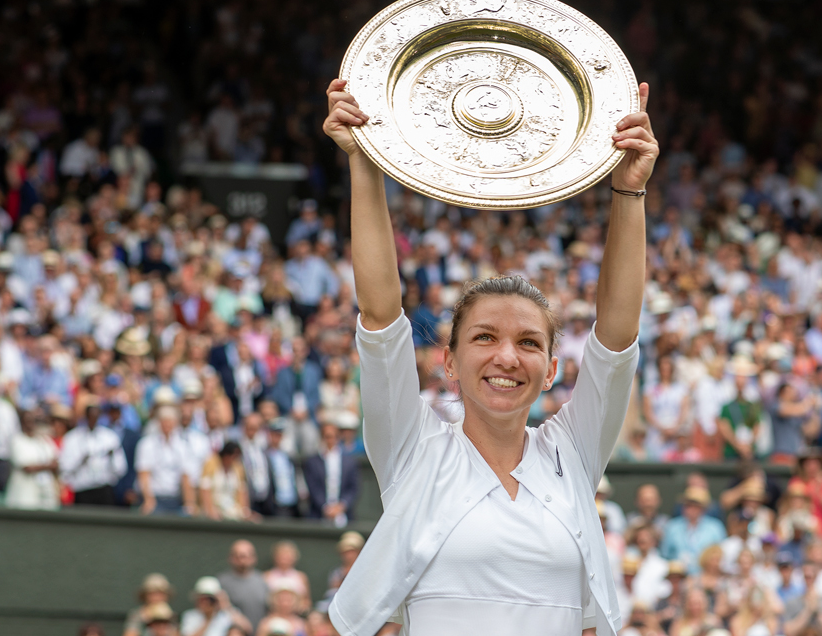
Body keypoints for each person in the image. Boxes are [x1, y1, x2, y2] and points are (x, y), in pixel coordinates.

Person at [320, 76, 657, 636]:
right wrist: (366, 161)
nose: (507, 356)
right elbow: (381, 316)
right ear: (447, 364)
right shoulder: (414, 451)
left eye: (529, 343)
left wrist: (629, 190)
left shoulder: (571, 456)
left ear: (552, 369)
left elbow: (616, 338)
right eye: (483, 337)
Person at [60, 398, 128, 506]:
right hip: (82, 490)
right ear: (85, 417)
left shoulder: (109, 437)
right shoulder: (72, 438)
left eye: (95, 417)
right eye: (90, 417)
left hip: (104, 490)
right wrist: (80, 461)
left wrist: (111, 457)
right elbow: (64, 468)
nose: (93, 420)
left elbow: (120, 469)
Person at [134, 406, 196, 515]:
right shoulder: (146, 444)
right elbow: (144, 475)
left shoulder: (183, 446)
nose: (167, 424)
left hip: (175, 499)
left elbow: (185, 476)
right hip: (155, 498)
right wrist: (149, 501)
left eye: (170, 421)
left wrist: (189, 503)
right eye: (164, 421)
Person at [302, 420, 360, 526]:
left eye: (333, 436)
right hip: (318, 515)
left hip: (344, 515)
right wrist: (325, 507)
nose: (330, 440)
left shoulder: (349, 461)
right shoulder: (313, 461)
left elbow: (353, 488)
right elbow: (313, 488)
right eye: (327, 436)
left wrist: (341, 506)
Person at [660, 486, 727, 575]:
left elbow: (721, 556)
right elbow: (665, 555)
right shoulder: (672, 527)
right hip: (678, 577)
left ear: (703, 508)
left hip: (706, 577)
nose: (691, 509)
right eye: (688, 505)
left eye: (696, 506)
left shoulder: (715, 527)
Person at [5, 410, 61, 510]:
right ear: (22, 423)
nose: (31, 424)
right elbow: (27, 467)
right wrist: (48, 466)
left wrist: (46, 466)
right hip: (24, 497)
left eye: (33, 421)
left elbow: (56, 462)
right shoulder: (17, 440)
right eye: (28, 421)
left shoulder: (44, 440)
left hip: (46, 495)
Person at [216, 540, 271, 630]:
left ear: (254, 558)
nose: (241, 560)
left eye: (245, 556)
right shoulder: (221, 582)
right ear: (230, 558)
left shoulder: (263, 580)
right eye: (237, 556)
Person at [198, 442, 254, 521]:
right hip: (214, 511)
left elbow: (242, 492)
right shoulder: (211, 464)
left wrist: (245, 512)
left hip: (232, 511)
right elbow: (205, 489)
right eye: (233, 456)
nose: (234, 459)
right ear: (226, 454)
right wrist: (211, 511)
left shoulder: (238, 468)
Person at [179, 576, 252, 636]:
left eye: (209, 598)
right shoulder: (190, 616)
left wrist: (226, 605)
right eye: (202, 598)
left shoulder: (226, 614)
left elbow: (247, 630)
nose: (206, 602)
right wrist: (208, 620)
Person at [263, 541, 311, 611]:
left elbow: (307, 601)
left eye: (288, 555)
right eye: (281, 555)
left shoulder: (301, 577)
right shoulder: (266, 575)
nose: (284, 558)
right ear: (275, 557)